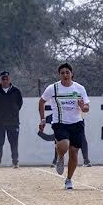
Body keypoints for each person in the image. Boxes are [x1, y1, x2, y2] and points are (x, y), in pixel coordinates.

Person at [39, 62, 90, 190]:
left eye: (67, 72)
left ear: (72, 74)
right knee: (64, 145)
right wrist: (42, 119)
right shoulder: (53, 88)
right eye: (62, 73)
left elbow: (86, 107)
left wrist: (82, 107)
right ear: (59, 75)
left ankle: (68, 180)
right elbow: (41, 102)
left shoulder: (79, 88)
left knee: (74, 153)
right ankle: (60, 157)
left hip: (77, 123)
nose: (65, 75)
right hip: (60, 123)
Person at [0, 71, 23, 168]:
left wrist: (14, 111)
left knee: (14, 143)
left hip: (13, 122)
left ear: (9, 79)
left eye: (6, 78)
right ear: (0, 79)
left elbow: (20, 103)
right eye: (3, 79)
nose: (5, 80)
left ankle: (15, 163)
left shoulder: (16, 91)